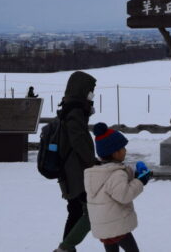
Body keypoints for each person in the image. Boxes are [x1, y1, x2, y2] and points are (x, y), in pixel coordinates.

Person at [84, 123, 151, 252]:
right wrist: (140, 181)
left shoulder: (96, 172)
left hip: (104, 224)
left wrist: (135, 177)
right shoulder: (116, 173)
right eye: (123, 148)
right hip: (117, 225)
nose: (125, 150)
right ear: (115, 153)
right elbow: (124, 195)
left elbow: (118, 186)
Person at [54, 71, 97, 252]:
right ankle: (65, 248)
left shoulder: (69, 107)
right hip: (76, 172)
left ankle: (66, 248)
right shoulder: (75, 111)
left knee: (76, 210)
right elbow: (78, 140)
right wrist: (93, 164)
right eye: (90, 90)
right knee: (89, 212)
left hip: (71, 170)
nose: (92, 94)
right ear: (82, 89)